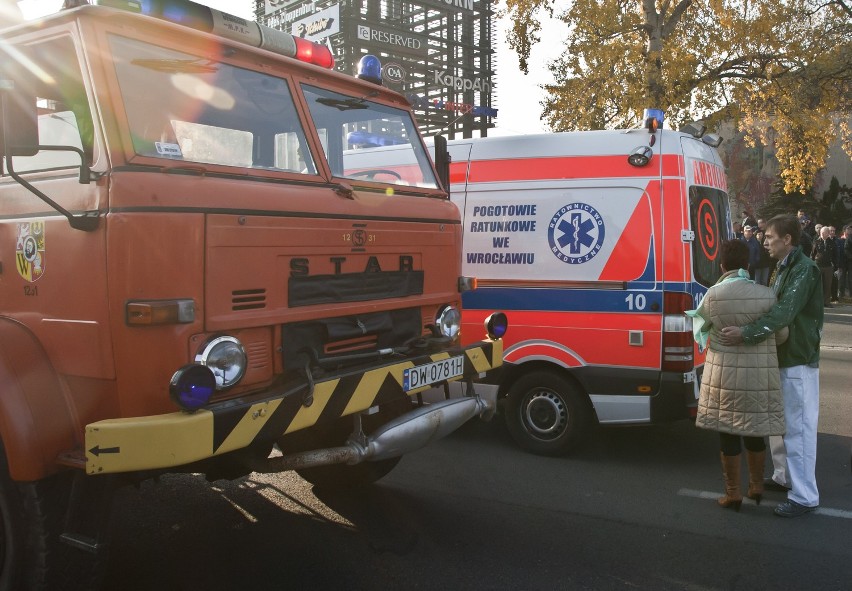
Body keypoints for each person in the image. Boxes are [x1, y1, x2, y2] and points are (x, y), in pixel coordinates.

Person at [718, 215, 823, 518]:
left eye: (770, 237)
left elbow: (783, 314)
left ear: (787, 239)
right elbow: (772, 306)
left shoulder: (804, 269)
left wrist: (745, 333)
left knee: (799, 429)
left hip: (798, 360)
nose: (765, 242)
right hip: (784, 356)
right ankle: (784, 477)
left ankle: (805, 496)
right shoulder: (785, 267)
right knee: (782, 424)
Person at [687, 240, 786, 512]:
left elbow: (701, 326)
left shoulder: (713, 295)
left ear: (722, 266)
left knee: (728, 432)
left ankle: (733, 494)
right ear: (748, 265)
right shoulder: (766, 295)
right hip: (758, 378)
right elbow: (781, 334)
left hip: (723, 377)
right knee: (754, 431)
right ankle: (756, 486)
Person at [810, 226, 836, 307]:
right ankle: (817, 302)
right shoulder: (816, 242)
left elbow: (835, 255)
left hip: (828, 266)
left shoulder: (832, 242)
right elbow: (812, 254)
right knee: (817, 285)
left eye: (824, 232)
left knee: (827, 285)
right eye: (821, 232)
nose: (822, 234)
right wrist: (812, 264)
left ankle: (826, 302)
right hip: (818, 265)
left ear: (828, 233)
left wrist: (836, 266)